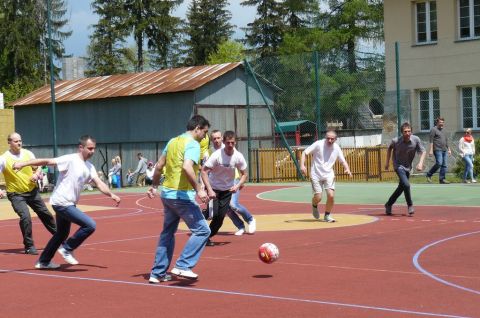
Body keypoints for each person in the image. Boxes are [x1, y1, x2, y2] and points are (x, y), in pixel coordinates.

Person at [13, 135, 121, 269]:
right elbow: (47, 161)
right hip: (61, 202)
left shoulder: (90, 167)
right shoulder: (70, 159)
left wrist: (111, 194)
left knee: (61, 234)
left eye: (94, 148)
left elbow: (99, 183)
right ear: (81, 147)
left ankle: (43, 261)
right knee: (90, 225)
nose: (92, 151)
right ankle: (67, 248)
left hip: (69, 203)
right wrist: (23, 164)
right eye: (90, 148)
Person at [147, 115, 211, 283]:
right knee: (203, 230)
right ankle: (183, 265)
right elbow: (187, 167)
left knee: (167, 233)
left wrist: (154, 186)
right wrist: (199, 189)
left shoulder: (173, 141)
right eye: (204, 132)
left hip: (167, 195)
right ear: (197, 128)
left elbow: (159, 166)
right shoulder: (193, 144)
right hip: (182, 196)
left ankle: (157, 273)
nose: (205, 136)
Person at [0, 132, 57, 255]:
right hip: (16, 194)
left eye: (20, 140)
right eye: (16, 141)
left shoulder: (28, 153)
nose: (19, 143)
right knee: (25, 217)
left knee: (45, 214)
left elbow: (39, 166)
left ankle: (60, 238)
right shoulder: (4, 159)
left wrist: (36, 174)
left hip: (32, 191)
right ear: (9, 143)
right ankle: (29, 246)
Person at [201, 131, 248, 246]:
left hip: (227, 191)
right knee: (214, 214)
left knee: (220, 218)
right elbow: (204, 171)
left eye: (232, 143)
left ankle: (207, 237)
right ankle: (203, 231)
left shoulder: (238, 156)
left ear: (235, 142)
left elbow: (244, 174)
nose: (230, 145)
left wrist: (237, 186)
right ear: (224, 142)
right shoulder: (217, 155)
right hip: (214, 189)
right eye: (228, 143)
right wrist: (209, 189)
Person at [300, 130, 352, 223]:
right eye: (328, 138)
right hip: (316, 174)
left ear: (336, 139)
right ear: (325, 138)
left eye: (332, 139)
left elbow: (343, 161)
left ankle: (327, 215)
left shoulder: (336, 148)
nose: (330, 140)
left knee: (331, 196)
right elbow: (305, 152)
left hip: (329, 174)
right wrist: (302, 165)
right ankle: (314, 205)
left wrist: (347, 169)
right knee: (318, 197)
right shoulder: (318, 144)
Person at [384, 122, 426, 216]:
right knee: (406, 185)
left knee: (401, 188)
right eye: (405, 132)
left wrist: (420, 163)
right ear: (402, 133)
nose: (407, 133)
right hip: (398, 166)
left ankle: (389, 204)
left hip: (408, 167)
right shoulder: (396, 141)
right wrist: (387, 163)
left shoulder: (416, 140)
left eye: (409, 131)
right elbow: (389, 148)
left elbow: (423, 151)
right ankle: (410, 205)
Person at [426, 117, 451, 184]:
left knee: (444, 165)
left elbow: (446, 140)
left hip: (444, 150)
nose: (441, 124)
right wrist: (431, 150)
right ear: (437, 122)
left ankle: (442, 179)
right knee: (439, 163)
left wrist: (449, 149)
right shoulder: (433, 129)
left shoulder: (444, 130)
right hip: (437, 149)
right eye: (440, 122)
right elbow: (431, 140)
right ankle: (429, 174)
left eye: (442, 122)